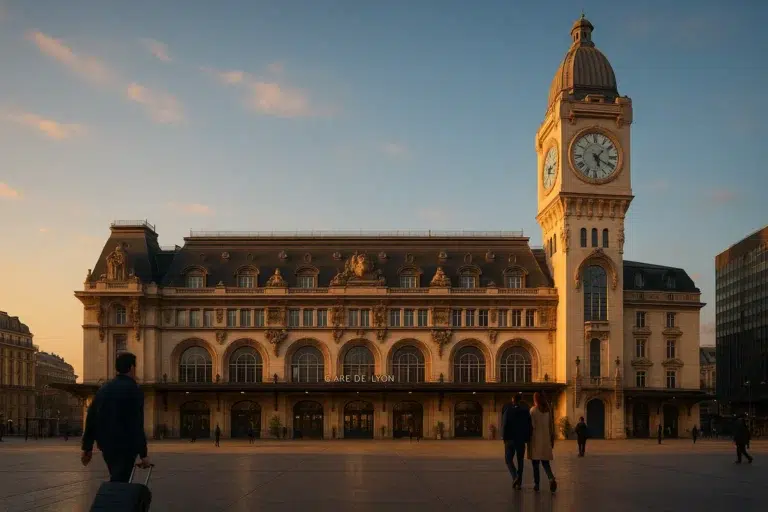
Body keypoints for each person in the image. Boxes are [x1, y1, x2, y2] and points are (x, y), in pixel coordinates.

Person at [81, 352, 151, 482]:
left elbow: (91, 417)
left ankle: (115, 498)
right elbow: (136, 423)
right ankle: (113, 500)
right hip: (126, 445)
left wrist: (87, 447)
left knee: (117, 475)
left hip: (106, 444)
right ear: (131, 368)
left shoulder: (104, 388)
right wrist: (143, 454)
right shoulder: (134, 390)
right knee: (120, 479)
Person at [501, 393, 532, 490]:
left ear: (513, 399)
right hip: (520, 440)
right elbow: (529, 426)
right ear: (520, 400)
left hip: (510, 439)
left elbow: (504, 424)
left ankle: (515, 476)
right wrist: (527, 438)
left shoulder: (508, 410)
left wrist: (504, 437)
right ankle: (519, 483)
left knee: (508, 460)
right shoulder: (526, 411)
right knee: (520, 461)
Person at [527, 392, 557, 493]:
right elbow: (551, 427)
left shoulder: (533, 410)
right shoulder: (547, 411)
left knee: (535, 465)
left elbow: (531, 426)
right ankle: (551, 478)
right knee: (545, 463)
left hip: (535, 440)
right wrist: (551, 440)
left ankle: (537, 484)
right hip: (545, 440)